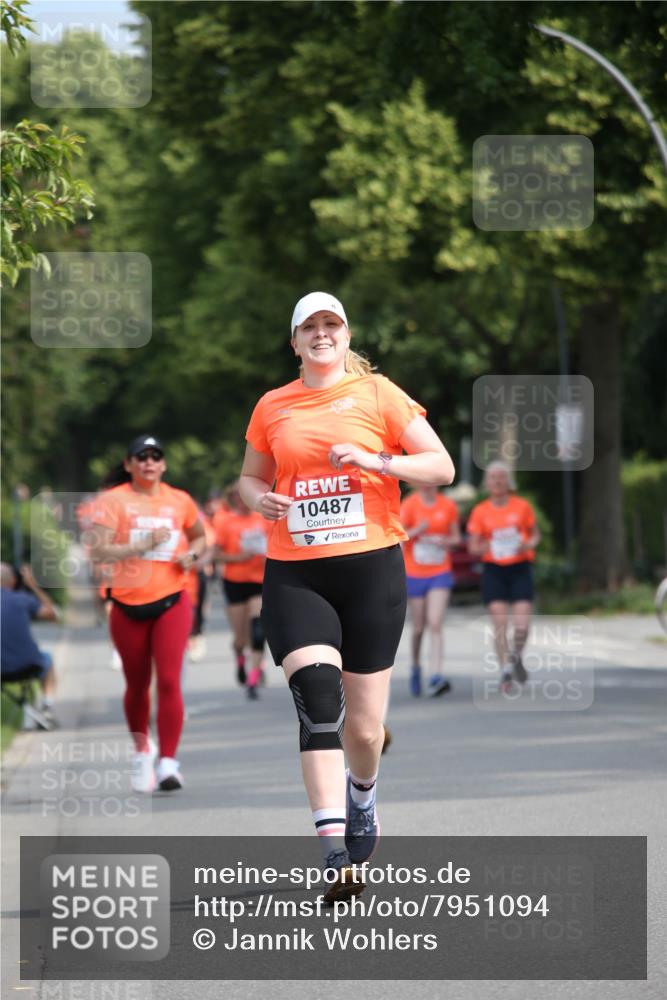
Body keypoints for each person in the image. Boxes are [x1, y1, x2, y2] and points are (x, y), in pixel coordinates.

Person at [239, 291, 454, 902]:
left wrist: (378, 460)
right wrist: (260, 499)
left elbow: (440, 468)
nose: (322, 334)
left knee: (363, 730)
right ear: (295, 341)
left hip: (371, 572)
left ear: (347, 334)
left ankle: (364, 795)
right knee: (317, 703)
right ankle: (334, 852)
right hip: (296, 572)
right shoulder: (273, 405)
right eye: (310, 327)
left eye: (331, 324)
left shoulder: (380, 395)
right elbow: (250, 476)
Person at [89, 435, 206, 792]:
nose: (149, 463)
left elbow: (201, 538)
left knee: (169, 680)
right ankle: (142, 751)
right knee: (137, 685)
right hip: (126, 604)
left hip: (172, 598)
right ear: (128, 465)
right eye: (141, 457)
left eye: (156, 456)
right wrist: (142, 544)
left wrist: (193, 555)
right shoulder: (113, 501)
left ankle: (169, 762)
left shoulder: (179, 500)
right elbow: (98, 552)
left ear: (164, 465)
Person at [467, 461, 540, 691]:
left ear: (509, 481)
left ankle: (516, 655)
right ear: (487, 483)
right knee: (500, 624)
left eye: (502, 477)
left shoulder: (522, 507)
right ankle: (506, 671)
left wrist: (527, 544)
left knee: (522, 626)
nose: (498, 481)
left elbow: (535, 535)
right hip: (494, 570)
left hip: (519, 567)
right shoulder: (481, 511)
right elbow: (473, 547)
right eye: (493, 478)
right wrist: (486, 546)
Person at [400, 485, 461, 697]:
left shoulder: (448, 505)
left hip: (440, 571)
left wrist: (446, 541)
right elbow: (398, 537)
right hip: (415, 572)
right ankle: (416, 666)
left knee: (435, 622)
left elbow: (457, 538)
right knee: (418, 628)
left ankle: (436, 674)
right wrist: (418, 530)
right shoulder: (409, 504)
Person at [214, 481, 268, 698]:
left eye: (244, 494)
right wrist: (239, 557)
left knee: (257, 628)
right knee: (240, 638)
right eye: (237, 495)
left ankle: (254, 677)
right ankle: (240, 657)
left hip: (260, 581)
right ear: (233, 498)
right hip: (235, 582)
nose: (241, 498)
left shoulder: (264, 519)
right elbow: (217, 554)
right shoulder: (226, 522)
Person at [1, 563, 59, 726]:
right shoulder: (22, 599)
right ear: (13, 581)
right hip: (28, 665)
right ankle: (47, 707)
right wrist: (33, 585)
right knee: (48, 659)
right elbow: (53, 614)